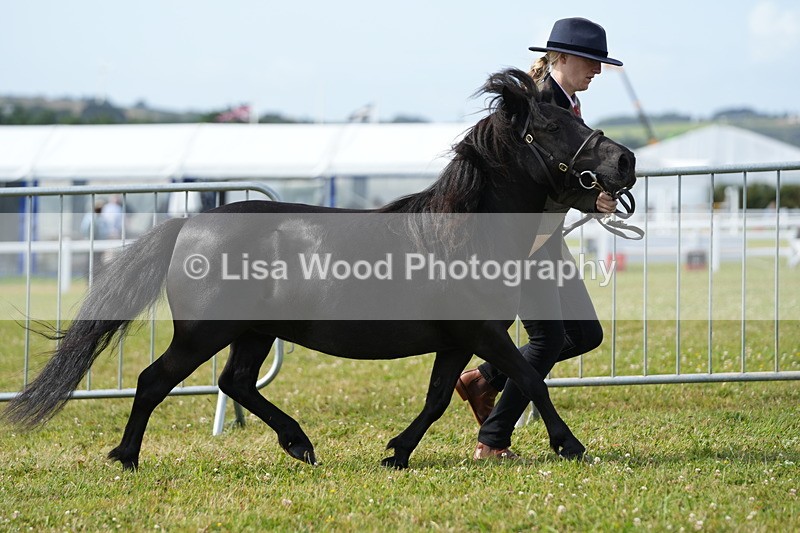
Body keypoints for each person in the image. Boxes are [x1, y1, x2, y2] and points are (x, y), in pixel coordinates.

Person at [455, 17, 623, 459]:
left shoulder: (564, 103)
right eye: (591, 61)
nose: (598, 70)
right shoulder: (541, 104)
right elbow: (534, 177)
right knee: (548, 339)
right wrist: (589, 200)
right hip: (525, 240)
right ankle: (493, 440)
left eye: (600, 62)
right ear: (560, 57)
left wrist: (594, 189)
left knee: (583, 335)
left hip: (544, 236)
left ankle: (483, 379)